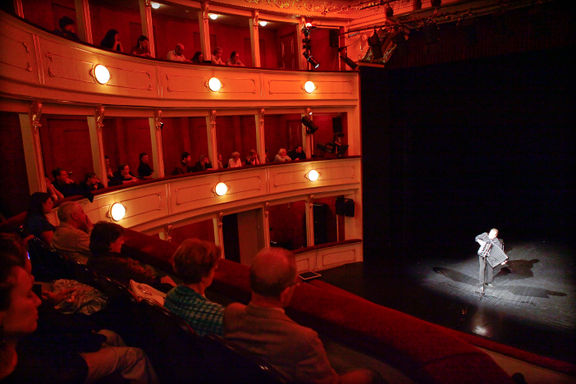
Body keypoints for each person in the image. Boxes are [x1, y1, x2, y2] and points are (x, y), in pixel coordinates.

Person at [0, 234, 159, 384]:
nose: (37, 300)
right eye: (28, 294)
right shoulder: (30, 371)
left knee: (112, 337)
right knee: (135, 356)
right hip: (71, 359)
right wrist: (93, 339)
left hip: (69, 352)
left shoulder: (16, 348)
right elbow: (59, 339)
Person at [224, 247, 380, 384]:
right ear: (285, 293)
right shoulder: (304, 339)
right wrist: (368, 376)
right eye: (294, 283)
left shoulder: (232, 314)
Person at [88, 222, 175, 289]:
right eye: (120, 240)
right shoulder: (119, 265)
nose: (122, 242)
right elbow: (148, 279)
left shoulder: (93, 259)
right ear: (110, 243)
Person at [164, 239, 224, 336]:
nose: (214, 274)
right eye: (214, 269)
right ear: (204, 276)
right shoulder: (217, 315)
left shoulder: (170, 296)